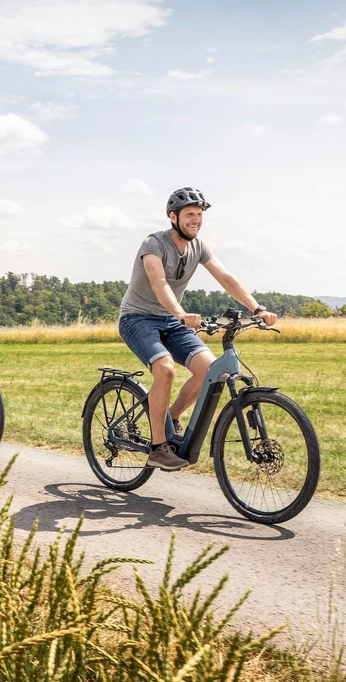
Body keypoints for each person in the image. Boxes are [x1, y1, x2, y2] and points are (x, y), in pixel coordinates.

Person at [118, 187, 279, 470]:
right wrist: (180, 312)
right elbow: (159, 283)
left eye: (199, 214)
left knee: (211, 370)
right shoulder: (153, 244)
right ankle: (158, 447)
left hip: (171, 320)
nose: (196, 220)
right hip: (138, 318)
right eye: (189, 214)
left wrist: (257, 308)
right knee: (165, 369)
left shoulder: (199, 247)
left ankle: (171, 416)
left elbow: (226, 278)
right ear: (173, 217)